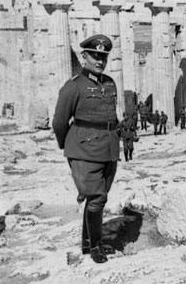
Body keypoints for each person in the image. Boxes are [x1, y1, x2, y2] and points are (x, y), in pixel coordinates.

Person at [52, 34, 120, 263]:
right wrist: (68, 148)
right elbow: (59, 122)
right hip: (83, 150)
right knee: (97, 198)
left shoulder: (110, 83)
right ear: (84, 57)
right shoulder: (74, 86)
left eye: (103, 57)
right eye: (95, 56)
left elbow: (112, 116)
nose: (100, 61)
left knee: (96, 199)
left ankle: (86, 243)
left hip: (109, 148)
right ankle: (96, 248)